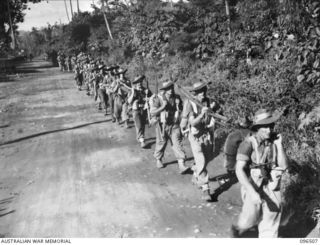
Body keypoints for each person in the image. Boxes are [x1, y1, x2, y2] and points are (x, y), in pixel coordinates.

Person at [232, 108, 288, 238]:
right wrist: (251, 191)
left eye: (271, 126)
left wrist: (279, 145)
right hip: (253, 186)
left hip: (272, 186)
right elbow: (239, 169)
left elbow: (284, 166)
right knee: (247, 222)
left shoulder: (274, 141)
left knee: (270, 224)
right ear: (257, 128)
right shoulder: (248, 144)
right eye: (265, 127)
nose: (269, 130)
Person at [180, 81, 216, 201]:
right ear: (195, 93)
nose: (202, 94)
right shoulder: (190, 103)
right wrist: (201, 114)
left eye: (203, 91)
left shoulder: (209, 101)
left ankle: (196, 171)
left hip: (207, 134)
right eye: (199, 92)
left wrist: (214, 111)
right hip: (195, 135)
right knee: (200, 158)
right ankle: (205, 188)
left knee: (208, 157)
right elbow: (192, 122)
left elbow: (215, 114)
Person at [149, 80, 189, 172]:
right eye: (167, 88)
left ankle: (181, 164)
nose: (170, 90)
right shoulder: (158, 98)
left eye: (171, 87)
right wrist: (163, 107)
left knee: (177, 143)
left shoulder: (177, 98)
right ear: (164, 89)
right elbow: (152, 112)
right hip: (162, 124)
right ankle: (158, 159)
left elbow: (183, 111)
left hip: (174, 124)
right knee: (161, 142)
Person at [128, 75, 152, 148]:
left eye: (140, 82)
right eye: (138, 82)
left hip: (144, 110)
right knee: (138, 125)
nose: (139, 84)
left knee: (143, 125)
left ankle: (140, 137)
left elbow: (152, 99)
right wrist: (132, 93)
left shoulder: (146, 90)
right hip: (136, 110)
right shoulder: (133, 91)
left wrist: (148, 98)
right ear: (135, 83)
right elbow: (129, 101)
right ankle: (142, 140)